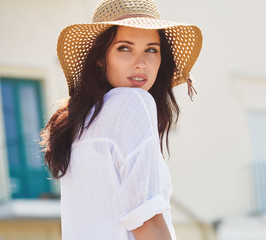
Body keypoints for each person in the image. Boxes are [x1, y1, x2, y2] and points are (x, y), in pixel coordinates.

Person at [40, 0, 202, 239]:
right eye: (124, 48)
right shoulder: (131, 102)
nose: (141, 63)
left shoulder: (80, 123)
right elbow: (146, 220)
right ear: (99, 57)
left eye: (151, 49)